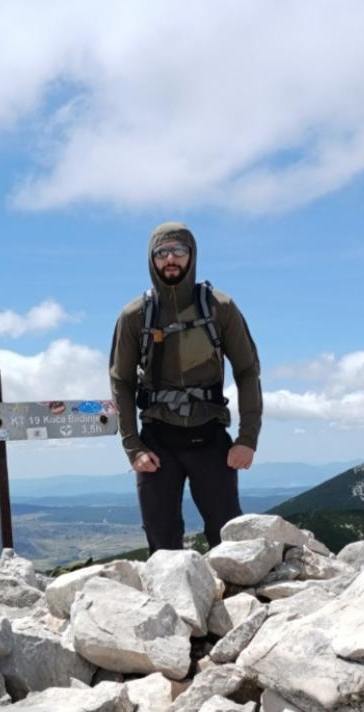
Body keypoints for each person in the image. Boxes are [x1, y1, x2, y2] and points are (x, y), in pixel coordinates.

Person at [109, 221, 263, 553]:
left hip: (209, 436)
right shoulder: (135, 315)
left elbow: (248, 371)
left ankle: (234, 589)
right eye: (161, 252)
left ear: (192, 256)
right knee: (162, 541)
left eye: (179, 250)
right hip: (156, 443)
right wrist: (133, 447)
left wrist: (247, 439)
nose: (170, 259)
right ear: (151, 259)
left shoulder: (220, 308)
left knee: (228, 537)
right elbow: (121, 381)